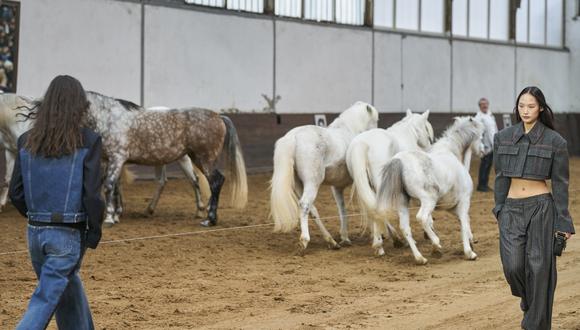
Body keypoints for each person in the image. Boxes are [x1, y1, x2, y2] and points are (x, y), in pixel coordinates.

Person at [9, 75, 104, 330]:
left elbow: (16, 194)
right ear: (78, 105)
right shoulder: (89, 140)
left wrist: (38, 217)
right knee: (45, 300)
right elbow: (92, 196)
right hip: (68, 235)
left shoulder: (26, 141)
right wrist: (94, 230)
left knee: (66, 290)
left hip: (35, 235)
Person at [493, 86, 574, 330]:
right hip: (511, 209)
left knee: (539, 269)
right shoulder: (503, 137)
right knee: (513, 266)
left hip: (541, 209)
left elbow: (561, 185)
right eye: (521, 106)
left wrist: (563, 222)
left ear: (540, 108)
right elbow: (500, 176)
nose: (525, 110)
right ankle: (531, 300)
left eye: (530, 106)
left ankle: (534, 324)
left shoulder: (555, 142)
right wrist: (499, 209)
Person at [475, 97, 498, 192]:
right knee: (484, 165)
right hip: (485, 146)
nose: (484, 106)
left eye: (486, 104)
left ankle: (485, 184)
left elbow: (494, 129)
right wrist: (481, 146)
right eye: (482, 104)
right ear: (479, 106)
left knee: (488, 165)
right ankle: (481, 185)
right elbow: (478, 134)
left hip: (493, 144)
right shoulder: (478, 118)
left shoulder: (490, 115)